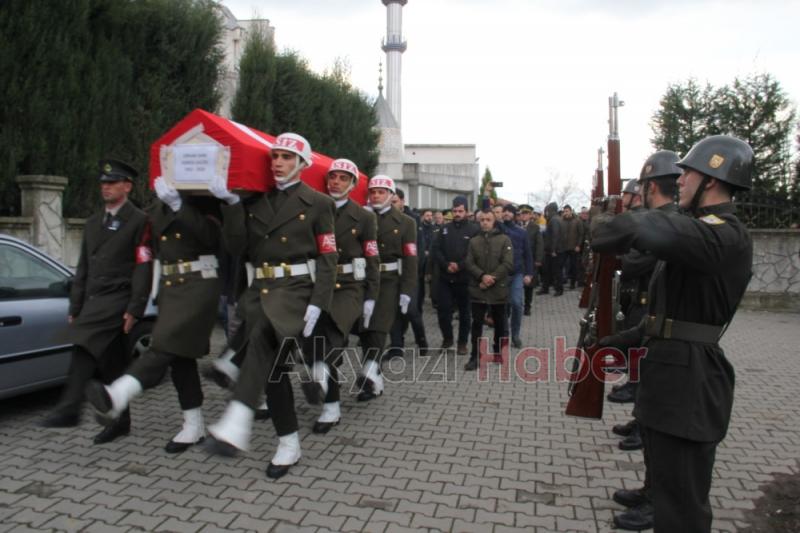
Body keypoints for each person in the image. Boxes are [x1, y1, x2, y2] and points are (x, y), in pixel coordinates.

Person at [592, 135, 754, 532]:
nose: (678, 181)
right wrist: (618, 341)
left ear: (711, 179)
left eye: (687, 174)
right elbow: (668, 315)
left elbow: (646, 228)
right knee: (667, 490)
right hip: (670, 376)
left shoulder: (724, 234)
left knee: (681, 510)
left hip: (689, 383)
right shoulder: (698, 232)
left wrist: (607, 220)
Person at [204, 132, 338, 480]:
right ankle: (288, 443)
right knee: (274, 373)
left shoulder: (319, 203)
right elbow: (237, 248)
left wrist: (319, 302)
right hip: (261, 290)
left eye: (287, 157)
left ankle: (237, 418)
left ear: (302, 164)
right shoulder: (255, 201)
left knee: (262, 334)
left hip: (296, 291)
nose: (278, 162)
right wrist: (231, 204)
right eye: (275, 156)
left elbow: (328, 257)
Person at [85, 178, 222, 453]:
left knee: (163, 343)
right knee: (180, 358)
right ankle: (193, 425)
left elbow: (213, 239)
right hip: (170, 288)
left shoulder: (206, 201)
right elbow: (144, 258)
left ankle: (118, 394)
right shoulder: (155, 210)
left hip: (200, 283)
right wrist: (136, 305)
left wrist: (181, 207)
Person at [41, 160, 152, 445]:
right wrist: (75, 306)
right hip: (93, 298)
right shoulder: (93, 222)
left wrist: (135, 307)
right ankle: (121, 422)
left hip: (118, 297)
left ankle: (69, 409)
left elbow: (143, 265)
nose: (106, 187)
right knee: (112, 363)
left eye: (112, 183)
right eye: (103, 183)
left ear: (127, 186)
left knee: (83, 343)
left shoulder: (139, 220)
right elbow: (83, 269)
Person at [606, 150, 682, 531]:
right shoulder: (666, 224)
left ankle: (658, 503)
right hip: (653, 326)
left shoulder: (672, 226)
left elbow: (636, 261)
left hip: (672, 341)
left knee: (661, 430)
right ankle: (651, 491)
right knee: (651, 420)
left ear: (650, 188)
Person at [302, 158, 380, 432]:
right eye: (332, 176)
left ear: (353, 184)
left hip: (349, 286)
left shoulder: (365, 217)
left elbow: (372, 257)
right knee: (314, 342)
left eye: (343, 178)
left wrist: (371, 295)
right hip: (318, 284)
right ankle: (331, 404)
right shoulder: (313, 209)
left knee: (334, 335)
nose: (336, 182)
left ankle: (324, 388)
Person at [356, 175, 417, 400]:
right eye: (373, 192)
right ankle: (375, 377)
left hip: (389, 281)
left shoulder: (406, 223)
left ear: (391, 195)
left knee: (378, 329)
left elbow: (410, 258)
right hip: (362, 279)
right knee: (364, 330)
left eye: (381, 192)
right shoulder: (361, 217)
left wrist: (407, 290)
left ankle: (369, 376)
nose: (376, 196)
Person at [464, 209, 513, 371]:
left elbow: (507, 263)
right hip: (479, 289)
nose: (485, 222)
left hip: (498, 289)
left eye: (488, 219)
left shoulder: (504, 239)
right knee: (477, 324)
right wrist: (482, 276)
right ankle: (475, 356)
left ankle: (498, 351)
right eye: (482, 220)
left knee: (500, 323)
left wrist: (492, 278)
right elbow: (469, 263)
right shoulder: (474, 241)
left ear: (494, 221)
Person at [432, 196, 479, 354]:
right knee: (443, 311)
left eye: (460, 211)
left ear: (466, 211)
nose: (457, 214)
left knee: (465, 313)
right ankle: (447, 339)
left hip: (464, 278)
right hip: (445, 278)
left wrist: (460, 265)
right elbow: (436, 249)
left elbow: (474, 253)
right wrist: (446, 265)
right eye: (455, 211)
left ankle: (462, 343)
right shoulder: (444, 229)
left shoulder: (474, 230)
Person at [388, 189, 428, 355]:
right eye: (390, 202)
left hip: (410, 272)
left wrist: (415, 271)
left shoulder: (413, 220)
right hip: (391, 273)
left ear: (402, 202)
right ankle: (397, 346)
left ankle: (422, 340)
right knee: (393, 310)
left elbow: (419, 248)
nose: (391, 205)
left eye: (394, 201)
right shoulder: (383, 219)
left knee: (411, 310)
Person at [500, 204, 533, 348]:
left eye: (509, 211)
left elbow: (528, 254)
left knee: (516, 303)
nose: (506, 213)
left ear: (514, 214)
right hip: (500, 274)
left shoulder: (521, 232)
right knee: (502, 306)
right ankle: (504, 334)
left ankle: (515, 335)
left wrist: (529, 274)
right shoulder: (498, 229)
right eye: (504, 211)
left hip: (517, 273)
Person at [538, 202, 564, 296]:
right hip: (555, 250)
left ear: (550, 210)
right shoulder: (557, 219)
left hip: (554, 251)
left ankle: (558, 289)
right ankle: (546, 288)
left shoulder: (554, 220)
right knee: (548, 270)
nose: (546, 213)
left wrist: (553, 249)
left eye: (547, 210)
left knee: (555, 271)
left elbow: (555, 235)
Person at [560, 205, 584, 290]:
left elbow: (581, 234)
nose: (565, 213)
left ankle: (572, 284)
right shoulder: (562, 221)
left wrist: (578, 245)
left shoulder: (577, 221)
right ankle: (560, 283)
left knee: (574, 266)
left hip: (574, 247)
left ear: (571, 211)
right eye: (564, 211)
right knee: (561, 265)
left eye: (567, 211)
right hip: (564, 247)